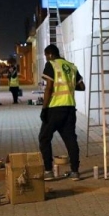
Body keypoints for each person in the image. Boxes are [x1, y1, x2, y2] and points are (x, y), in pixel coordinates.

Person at [39, 44, 85, 181]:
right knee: (71, 140)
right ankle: (75, 172)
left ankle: (48, 171)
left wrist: (44, 108)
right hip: (70, 109)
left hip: (54, 109)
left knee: (44, 138)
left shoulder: (51, 64)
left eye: (46, 56)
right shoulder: (71, 66)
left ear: (50, 54)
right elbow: (82, 86)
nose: (46, 58)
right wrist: (68, 84)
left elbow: (49, 88)